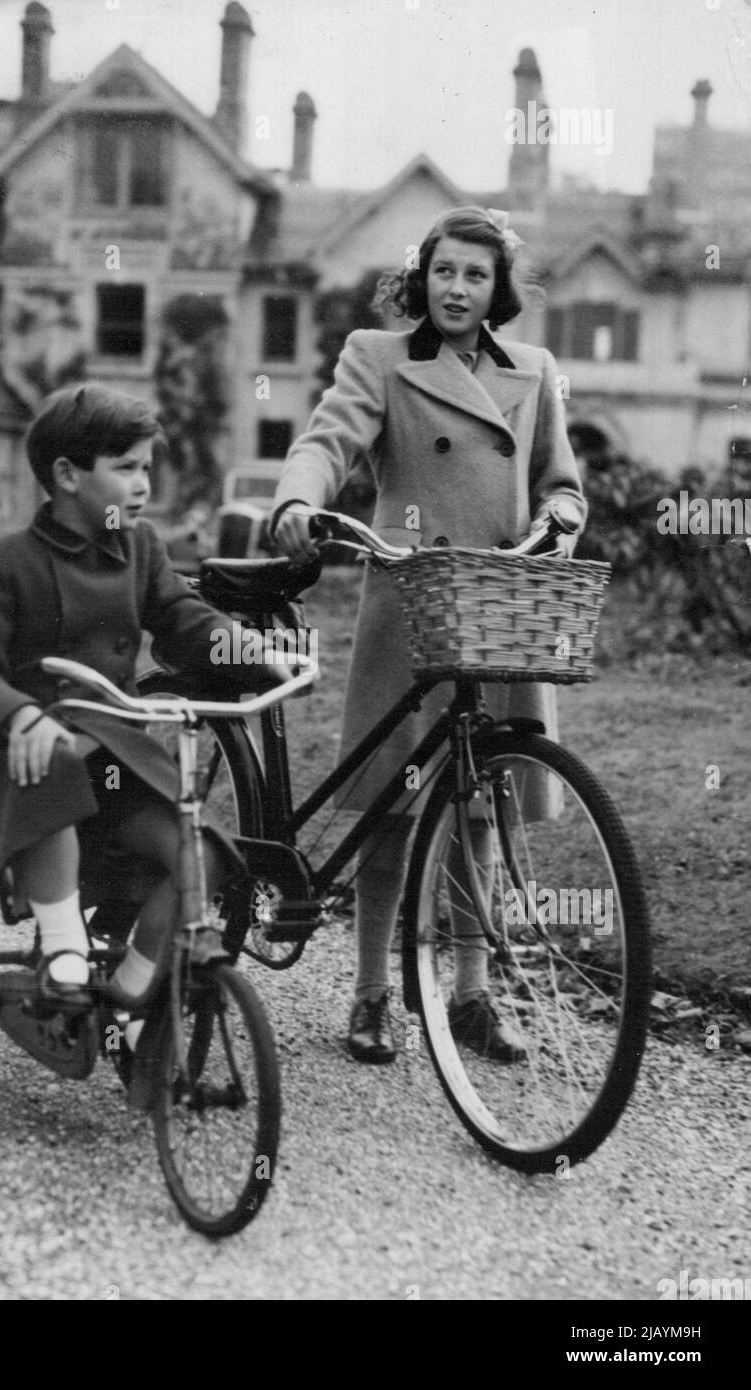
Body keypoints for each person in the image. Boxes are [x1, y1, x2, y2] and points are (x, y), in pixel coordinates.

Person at [270, 205, 587, 1065]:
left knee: (485, 803)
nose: (456, 288)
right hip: (411, 603)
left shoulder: (533, 370)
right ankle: (373, 991)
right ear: (422, 278)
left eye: (475, 275)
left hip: (500, 600)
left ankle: (474, 995)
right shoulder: (378, 357)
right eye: (444, 271)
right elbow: (327, 440)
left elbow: (563, 484)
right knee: (392, 805)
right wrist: (298, 500)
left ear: (497, 291)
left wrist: (559, 520)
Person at [0, 382, 290, 1022]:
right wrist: (20, 714)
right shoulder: (3, 562)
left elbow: (184, 617)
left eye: (146, 469)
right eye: (125, 468)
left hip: (119, 751)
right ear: (68, 476)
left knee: (204, 853)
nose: (141, 485)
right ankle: (64, 947)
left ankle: (131, 991)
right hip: (33, 752)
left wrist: (253, 652)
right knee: (52, 756)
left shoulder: (141, 549)